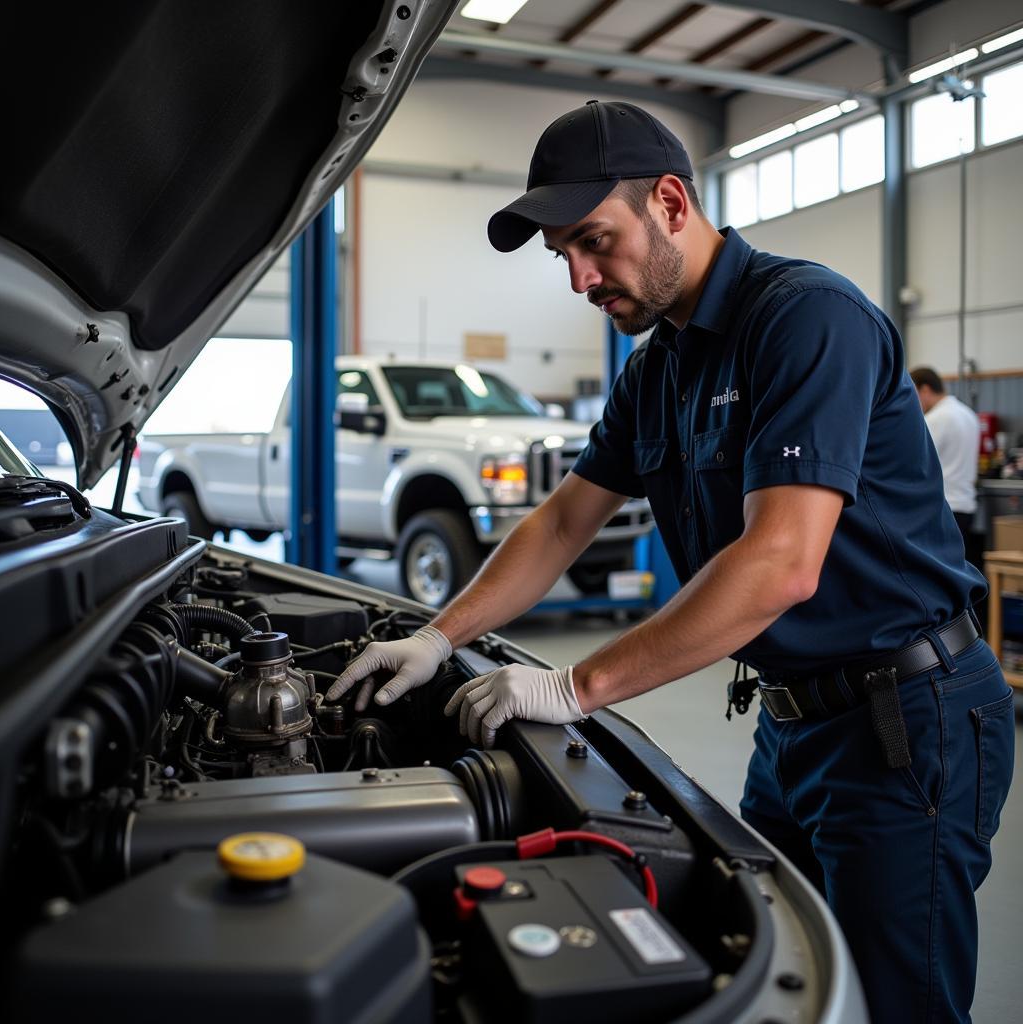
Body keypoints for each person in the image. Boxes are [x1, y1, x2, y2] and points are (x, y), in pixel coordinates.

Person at [327, 101, 1014, 1023]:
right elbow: (566, 519)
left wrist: (575, 689)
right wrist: (437, 633)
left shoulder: (806, 320)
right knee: (788, 973)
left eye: (595, 241)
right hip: (793, 721)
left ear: (671, 203)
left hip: (904, 721)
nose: (577, 276)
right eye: (561, 254)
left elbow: (779, 565)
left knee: (900, 1004)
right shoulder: (659, 369)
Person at [910, 365, 982, 549]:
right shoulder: (968, 414)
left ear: (925, 389)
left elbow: (916, 462)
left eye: (913, 393)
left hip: (944, 508)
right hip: (966, 505)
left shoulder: (936, 419)